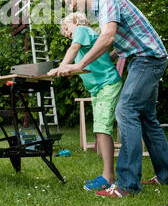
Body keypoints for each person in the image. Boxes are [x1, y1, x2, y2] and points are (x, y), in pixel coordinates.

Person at [53, 0, 168, 198]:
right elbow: (116, 44)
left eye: (69, 1)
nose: (71, 6)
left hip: (146, 59)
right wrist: (109, 58)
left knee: (125, 111)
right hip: (144, 59)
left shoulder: (107, 1)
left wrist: (81, 64)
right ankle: (167, 176)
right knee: (147, 119)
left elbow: (108, 36)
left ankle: (127, 185)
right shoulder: (102, 7)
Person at [48, 12, 122, 191]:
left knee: (102, 128)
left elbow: (72, 50)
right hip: (98, 89)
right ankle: (108, 175)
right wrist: (66, 70)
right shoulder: (88, 41)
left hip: (107, 85)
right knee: (100, 128)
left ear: (75, 21)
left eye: (66, 28)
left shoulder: (82, 29)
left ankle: (108, 177)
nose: (66, 33)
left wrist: (61, 67)